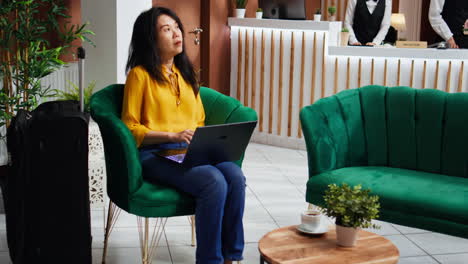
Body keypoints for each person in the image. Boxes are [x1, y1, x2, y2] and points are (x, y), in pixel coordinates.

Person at [122, 7, 245, 264]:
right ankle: (210, 260)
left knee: (234, 174)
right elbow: (130, 129)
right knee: (213, 181)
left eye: (177, 27)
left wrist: (205, 142)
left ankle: (231, 257)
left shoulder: (186, 74)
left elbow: (198, 119)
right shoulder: (139, 75)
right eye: (166, 30)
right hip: (154, 154)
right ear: (151, 40)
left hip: (190, 151)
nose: (176, 33)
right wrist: (170, 135)